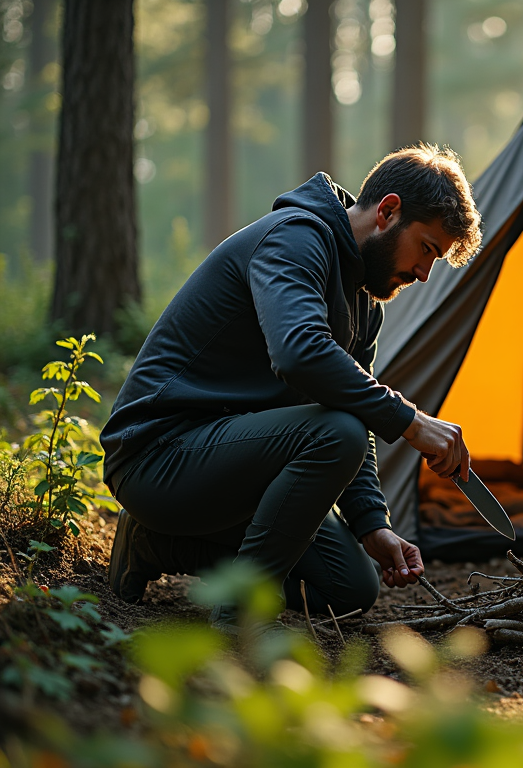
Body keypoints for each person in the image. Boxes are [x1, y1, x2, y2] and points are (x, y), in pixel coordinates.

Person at [101, 144, 482, 630]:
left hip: (234, 462)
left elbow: (353, 408)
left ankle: (156, 542)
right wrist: (411, 422)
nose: (425, 274)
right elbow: (298, 352)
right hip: (158, 456)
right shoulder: (296, 239)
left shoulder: (365, 305)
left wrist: (372, 524)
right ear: (388, 212)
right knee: (336, 433)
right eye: (427, 249)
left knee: (350, 587)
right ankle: (236, 618)